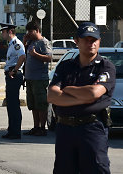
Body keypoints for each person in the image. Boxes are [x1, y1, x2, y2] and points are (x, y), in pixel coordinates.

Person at [48, 22, 115, 174]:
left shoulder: (105, 66)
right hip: (65, 129)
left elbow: (93, 93)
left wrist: (67, 89)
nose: (91, 43)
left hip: (92, 128)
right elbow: (52, 95)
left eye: (94, 40)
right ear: (77, 41)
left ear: (99, 42)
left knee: (96, 170)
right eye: (86, 39)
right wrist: (84, 98)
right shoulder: (65, 66)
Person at [22, 21, 52, 136]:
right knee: (33, 104)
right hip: (30, 78)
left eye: (30, 31)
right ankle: (36, 127)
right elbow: (26, 54)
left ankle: (42, 128)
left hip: (40, 79)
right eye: (28, 31)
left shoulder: (43, 42)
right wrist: (25, 43)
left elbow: (49, 58)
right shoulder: (30, 42)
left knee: (41, 104)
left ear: (37, 31)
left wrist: (36, 55)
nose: (28, 33)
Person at [0, 23, 26, 140]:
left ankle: (16, 132)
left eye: (3, 31)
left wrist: (14, 71)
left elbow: (22, 56)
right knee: (10, 104)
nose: (2, 34)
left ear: (10, 32)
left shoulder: (16, 43)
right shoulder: (11, 44)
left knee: (14, 104)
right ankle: (11, 130)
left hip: (14, 75)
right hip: (10, 74)